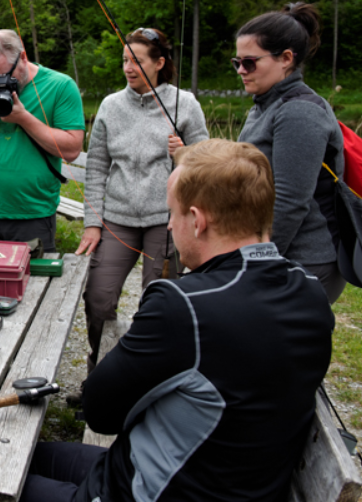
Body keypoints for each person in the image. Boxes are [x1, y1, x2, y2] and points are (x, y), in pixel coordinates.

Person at [21, 139, 334, 502]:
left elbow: (99, 412)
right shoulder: (310, 293)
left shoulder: (185, 306)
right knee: (18, 453)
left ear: (198, 221)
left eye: (172, 213)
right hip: (213, 478)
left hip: (147, 491)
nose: (169, 226)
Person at [75, 27, 208, 374]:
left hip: (166, 223)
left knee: (159, 303)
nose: (128, 67)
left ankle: (148, 380)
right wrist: (93, 223)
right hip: (117, 220)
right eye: (124, 60)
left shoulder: (185, 103)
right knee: (98, 298)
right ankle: (100, 374)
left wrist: (185, 154)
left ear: (159, 63)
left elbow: (207, 164)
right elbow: (96, 167)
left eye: (136, 61)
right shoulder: (110, 106)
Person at [235, 3, 347, 302]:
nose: (241, 71)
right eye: (237, 62)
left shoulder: (299, 112)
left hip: (304, 260)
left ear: (286, 59)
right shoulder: (265, 103)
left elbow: (290, 200)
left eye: (249, 62)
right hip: (275, 253)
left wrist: (256, 261)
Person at [0, 30, 85, 251]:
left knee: (31, 284)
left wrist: (23, 118)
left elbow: (72, 149)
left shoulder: (60, 86)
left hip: (34, 213)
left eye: (3, 75)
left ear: (23, 58)